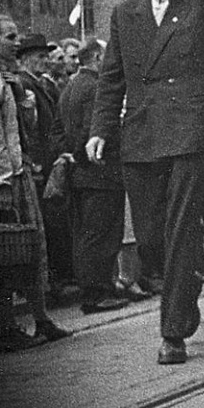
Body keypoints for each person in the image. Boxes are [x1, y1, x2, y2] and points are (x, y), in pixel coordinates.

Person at [87, 0, 204, 365]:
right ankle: (188, 283)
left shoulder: (197, 4)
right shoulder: (126, 13)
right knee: (152, 237)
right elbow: (111, 76)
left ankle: (172, 334)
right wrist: (100, 128)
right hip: (139, 135)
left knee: (178, 230)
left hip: (187, 133)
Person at [0, 14, 70, 352]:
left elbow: (24, 126)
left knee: (31, 250)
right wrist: (1, 182)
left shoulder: (5, 77)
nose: (15, 42)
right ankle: (8, 327)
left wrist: (22, 94)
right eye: (9, 37)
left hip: (18, 174)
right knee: (5, 254)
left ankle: (41, 319)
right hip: (3, 182)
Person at [58, 37, 128, 315]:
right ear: (98, 58)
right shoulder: (98, 88)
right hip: (102, 171)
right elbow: (93, 130)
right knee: (102, 235)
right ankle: (98, 293)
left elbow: (58, 131)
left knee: (86, 234)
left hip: (80, 173)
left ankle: (95, 290)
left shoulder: (70, 87)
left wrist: (70, 156)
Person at [17, 33, 73, 297]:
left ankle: (56, 279)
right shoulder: (25, 84)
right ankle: (52, 282)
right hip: (40, 165)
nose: (46, 61)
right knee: (48, 224)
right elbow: (31, 130)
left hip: (48, 163)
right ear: (26, 59)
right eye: (40, 57)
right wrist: (38, 163)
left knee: (54, 223)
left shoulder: (38, 84)